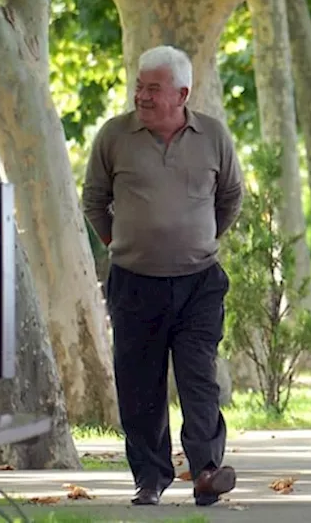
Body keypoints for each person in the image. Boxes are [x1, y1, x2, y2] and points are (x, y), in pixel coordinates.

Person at [81, 46, 244, 507]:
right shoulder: (114, 136)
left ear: (182, 93)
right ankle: (150, 478)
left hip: (199, 282)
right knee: (140, 383)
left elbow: (229, 196)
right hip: (134, 281)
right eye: (139, 85)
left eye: (153, 88)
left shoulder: (212, 135)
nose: (142, 95)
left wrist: (199, 238)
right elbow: (94, 199)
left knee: (199, 379)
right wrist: (121, 244)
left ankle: (207, 471)